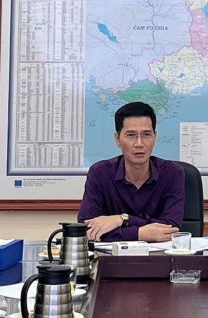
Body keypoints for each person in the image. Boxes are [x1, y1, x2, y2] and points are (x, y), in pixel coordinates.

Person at [78, 101, 183, 243]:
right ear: (117, 139)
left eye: (146, 134)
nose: (139, 143)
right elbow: (87, 229)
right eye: (131, 135)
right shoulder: (100, 173)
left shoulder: (173, 173)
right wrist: (140, 233)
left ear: (155, 137)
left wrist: (121, 219)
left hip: (160, 256)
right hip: (110, 257)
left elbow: (171, 228)